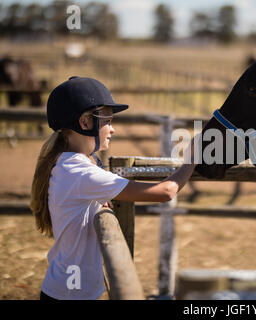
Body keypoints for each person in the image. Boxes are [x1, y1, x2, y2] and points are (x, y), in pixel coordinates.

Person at [30, 76, 196, 300]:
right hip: (72, 294)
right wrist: (192, 158)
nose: (113, 129)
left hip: (66, 288)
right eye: (107, 120)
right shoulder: (81, 172)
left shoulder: (71, 163)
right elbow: (166, 192)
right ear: (86, 122)